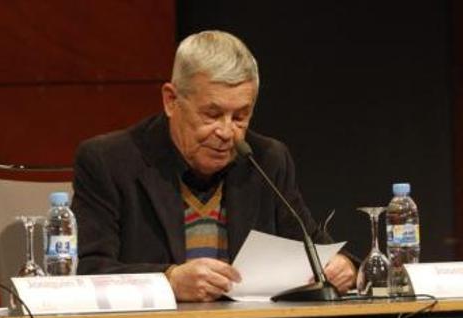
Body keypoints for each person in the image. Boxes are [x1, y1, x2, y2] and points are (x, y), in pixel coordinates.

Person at [71, 30, 355, 302]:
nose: (227, 132)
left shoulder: (267, 159)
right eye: (212, 114)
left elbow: (314, 248)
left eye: (240, 116)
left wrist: (343, 267)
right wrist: (169, 280)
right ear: (171, 101)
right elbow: (90, 270)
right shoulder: (108, 161)